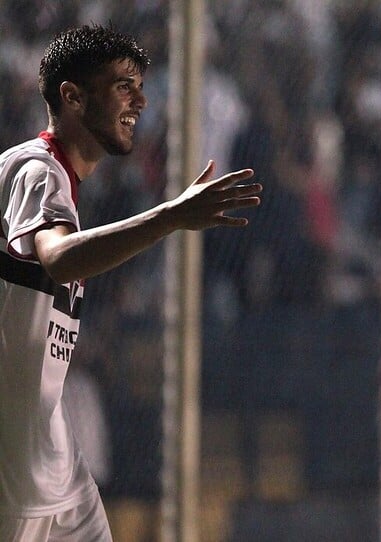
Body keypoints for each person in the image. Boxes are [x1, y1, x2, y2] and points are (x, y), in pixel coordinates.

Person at [0, 24, 261, 541]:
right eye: (124, 85)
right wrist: (168, 216)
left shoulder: (60, 181)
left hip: (47, 444)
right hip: (13, 454)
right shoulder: (35, 168)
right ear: (72, 97)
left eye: (141, 85)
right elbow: (57, 259)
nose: (141, 100)